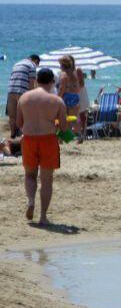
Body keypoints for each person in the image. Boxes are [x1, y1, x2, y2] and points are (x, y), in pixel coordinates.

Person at [17, 68, 67, 225]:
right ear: (52, 81)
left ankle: (31, 201)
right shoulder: (57, 101)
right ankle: (43, 217)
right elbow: (64, 128)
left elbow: (19, 123)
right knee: (47, 180)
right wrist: (57, 124)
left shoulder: (24, 98)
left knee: (30, 175)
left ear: (36, 80)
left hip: (29, 140)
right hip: (48, 140)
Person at [6, 54, 40, 138]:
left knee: (12, 115)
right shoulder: (32, 65)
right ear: (36, 61)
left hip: (11, 90)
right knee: (25, 114)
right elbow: (31, 82)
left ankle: (12, 134)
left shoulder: (17, 64)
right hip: (22, 91)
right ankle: (23, 134)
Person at [57, 55, 85, 141]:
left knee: (62, 118)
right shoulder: (75, 74)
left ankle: (61, 138)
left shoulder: (63, 75)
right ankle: (79, 135)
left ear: (62, 65)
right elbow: (80, 85)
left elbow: (62, 88)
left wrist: (58, 98)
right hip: (75, 97)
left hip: (67, 97)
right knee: (73, 118)